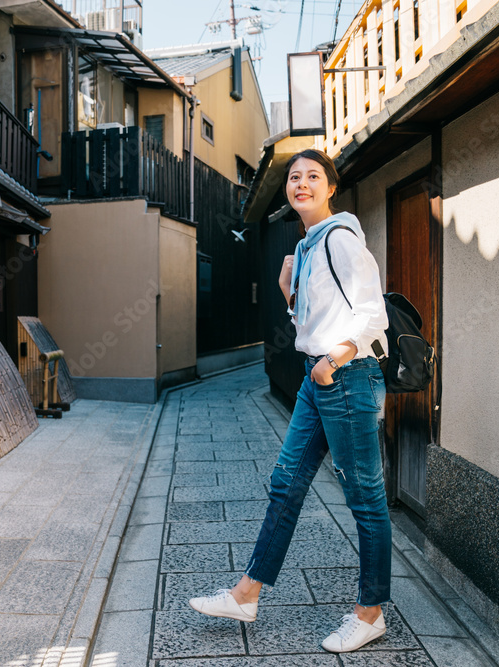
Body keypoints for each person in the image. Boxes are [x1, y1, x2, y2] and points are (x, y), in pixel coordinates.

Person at [188, 148, 392, 653]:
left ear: (330, 187)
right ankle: (246, 594)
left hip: (344, 376)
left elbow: (373, 313)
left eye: (312, 176)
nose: (301, 183)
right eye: (294, 177)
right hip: (315, 377)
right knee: (286, 484)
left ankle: (370, 613)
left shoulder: (340, 239)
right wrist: (287, 290)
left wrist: (333, 361)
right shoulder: (304, 248)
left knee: (364, 496)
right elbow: (312, 323)